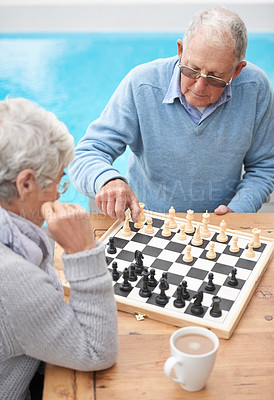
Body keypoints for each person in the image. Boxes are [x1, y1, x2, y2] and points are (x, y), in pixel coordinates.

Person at [68, 6, 274, 221]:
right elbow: (85, 154)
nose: (199, 86)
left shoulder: (255, 88)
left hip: (219, 226)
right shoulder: (142, 84)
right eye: (192, 70)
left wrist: (237, 212)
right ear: (180, 50)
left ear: (237, 70)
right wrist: (107, 180)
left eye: (215, 77)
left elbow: (264, 166)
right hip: (146, 220)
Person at [0, 98, 118, 400]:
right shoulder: (12, 278)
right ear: (25, 183)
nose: (57, 192)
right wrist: (82, 253)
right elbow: (96, 351)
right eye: (58, 181)